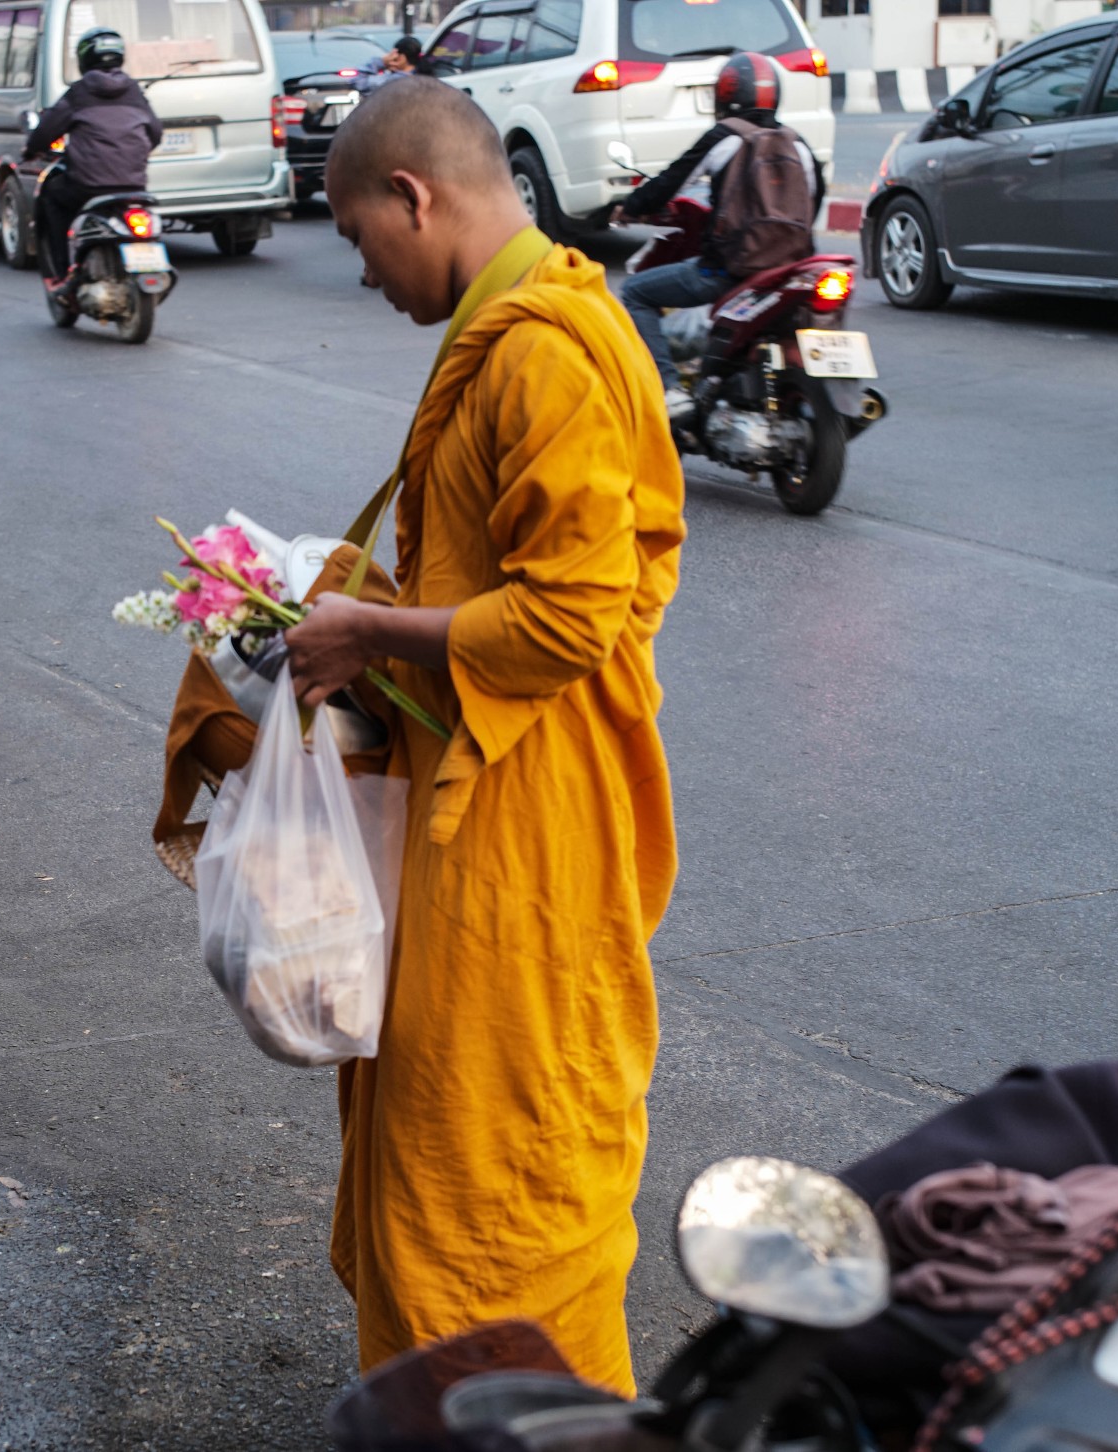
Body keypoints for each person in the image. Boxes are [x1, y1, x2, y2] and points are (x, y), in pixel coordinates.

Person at [282, 78, 684, 1391]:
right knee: (452, 1152)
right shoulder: (542, 324)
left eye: (357, 237)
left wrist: (368, 636)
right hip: (495, 791)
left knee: (497, 1175)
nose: (363, 270)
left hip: (525, 828)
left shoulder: (540, 348)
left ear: (415, 196)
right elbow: (569, 582)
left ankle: (531, 1418)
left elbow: (572, 617)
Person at [612, 51, 822, 417]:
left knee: (635, 293)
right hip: (791, 272)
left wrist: (630, 208)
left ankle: (669, 389)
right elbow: (813, 202)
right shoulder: (799, 144)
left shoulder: (725, 137)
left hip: (729, 272)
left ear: (726, 95)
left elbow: (670, 181)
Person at [22, 27, 161, 282]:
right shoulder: (133, 91)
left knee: (51, 198)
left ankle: (61, 273)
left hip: (87, 185)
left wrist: (32, 149)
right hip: (134, 184)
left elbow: (48, 129)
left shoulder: (80, 92)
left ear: (84, 59)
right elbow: (156, 133)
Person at [353, 36, 424, 92]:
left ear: (401, 57)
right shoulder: (424, 78)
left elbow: (359, 82)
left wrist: (381, 62)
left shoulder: (393, 80)